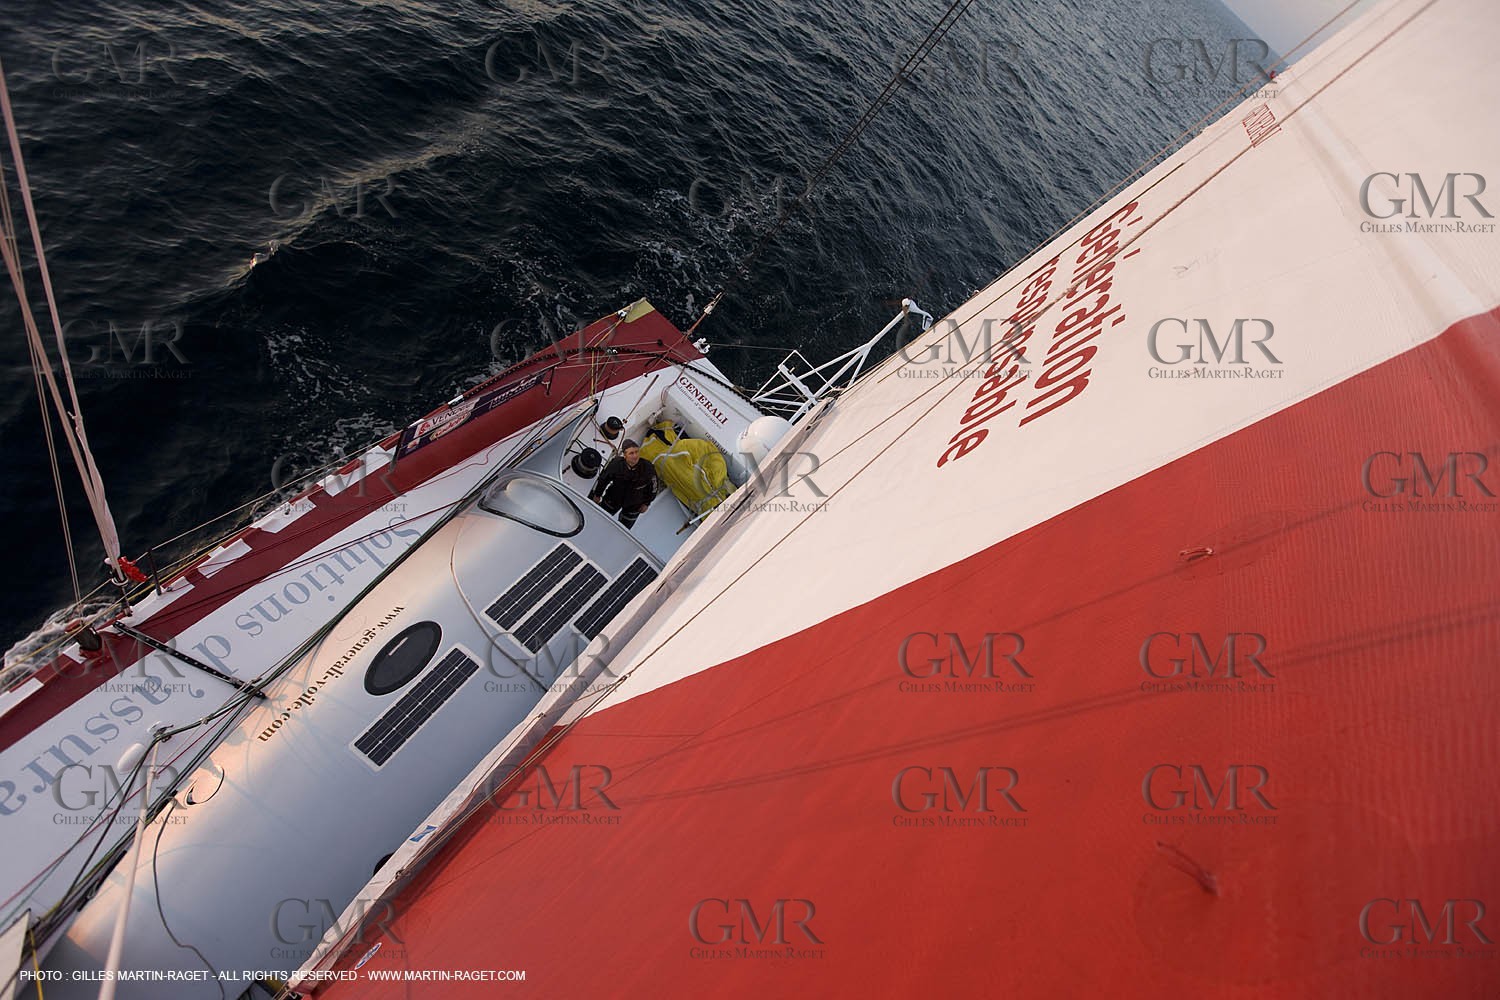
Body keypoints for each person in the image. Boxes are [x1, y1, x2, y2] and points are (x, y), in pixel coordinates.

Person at [589, 439, 658, 530]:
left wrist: (647, 503)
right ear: (625, 455)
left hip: (634, 504)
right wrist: (597, 494)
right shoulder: (616, 464)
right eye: (631, 453)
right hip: (614, 497)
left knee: (624, 528)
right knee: (599, 519)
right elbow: (604, 479)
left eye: (637, 452)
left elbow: (654, 487)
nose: (635, 456)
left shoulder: (648, 468)